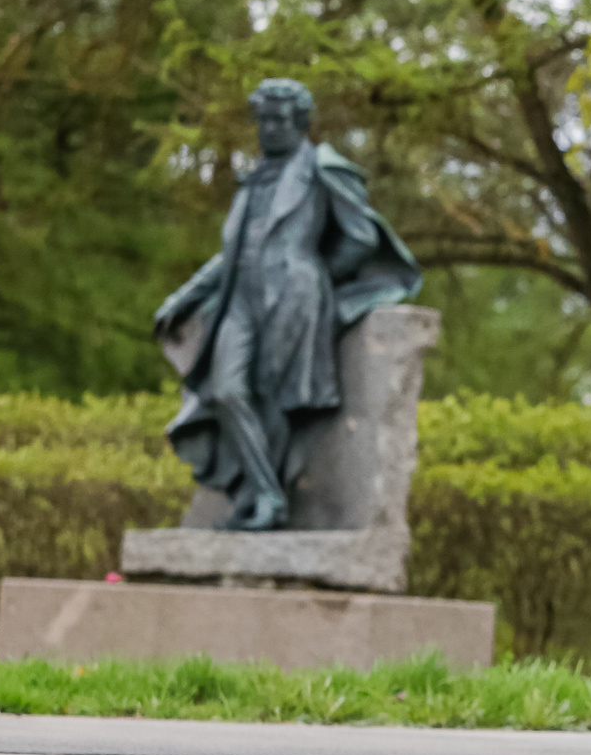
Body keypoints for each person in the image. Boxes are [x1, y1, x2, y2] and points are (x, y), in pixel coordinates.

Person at [152, 80, 422, 530]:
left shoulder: (321, 168)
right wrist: (184, 297)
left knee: (276, 398)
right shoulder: (254, 178)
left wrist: (311, 274)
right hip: (241, 299)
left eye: (279, 120)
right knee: (226, 390)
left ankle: (267, 503)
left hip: (294, 296)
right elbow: (234, 252)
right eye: (263, 121)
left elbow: (360, 237)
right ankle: (265, 492)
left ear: (300, 122)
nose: (269, 129)